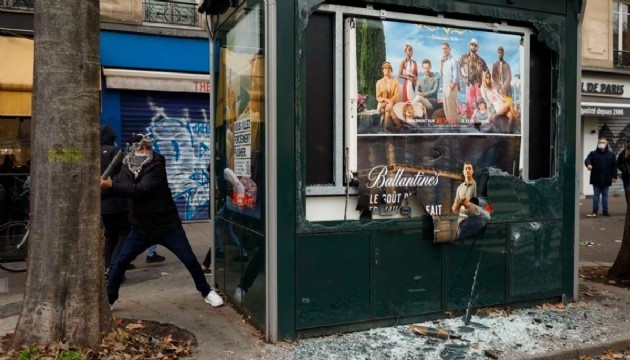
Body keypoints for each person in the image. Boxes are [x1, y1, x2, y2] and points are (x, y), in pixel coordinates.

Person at [101, 134, 223, 308]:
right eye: (140, 148)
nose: (144, 151)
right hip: (141, 228)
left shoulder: (157, 165)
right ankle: (110, 300)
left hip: (167, 226)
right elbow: (119, 187)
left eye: (147, 148)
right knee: (120, 262)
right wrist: (102, 189)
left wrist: (111, 186)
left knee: (189, 259)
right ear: (133, 150)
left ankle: (206, 291)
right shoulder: (126, 168)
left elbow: (141, 189)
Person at [100, 125, 133, 278]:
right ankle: (114, 267)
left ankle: (108, 266)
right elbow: (126, 174)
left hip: (103, 204)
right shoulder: (116, 152)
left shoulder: (92, 152)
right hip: (118, 201)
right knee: (125, 233)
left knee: (110, 236)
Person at [585, 138, 617, 217]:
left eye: (603, 142)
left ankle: (605, 211)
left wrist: (614, 176)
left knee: (605, 196)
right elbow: (587, 160)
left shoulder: (611, 154)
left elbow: (614, 167)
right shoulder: (593, 153)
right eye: (599, 142)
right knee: (596, 196)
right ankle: (595, 211)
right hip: (596, 178)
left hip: (607, 178)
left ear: (606, 144)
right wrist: (588, 164)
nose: (601, 143)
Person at [459, 38, 489, 118]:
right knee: (469, 103)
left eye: (475, 45)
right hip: (469, 84)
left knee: (480, 103)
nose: (473, 46)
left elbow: (487, 71)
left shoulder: (481, 60)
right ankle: (469, 121)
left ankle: (481, 120)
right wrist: (464, 77)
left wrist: (484, 82)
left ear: (477, 47)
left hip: (478, 84)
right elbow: (458, 68)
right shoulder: (463, 57)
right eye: (472, 44)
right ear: (469, 45)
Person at [376, 61, 401, 132]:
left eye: (389, 68)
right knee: (388, 107)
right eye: (385, 68)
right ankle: (398, 125)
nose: (387, 69)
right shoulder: (379, 82)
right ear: (383, 70)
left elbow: (396, 95)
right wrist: (386, 101)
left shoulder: (395, 81)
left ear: (391, 70)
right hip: (382, 103)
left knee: (387, 111)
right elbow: (378, 97)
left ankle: (387, 131)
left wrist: (390, 102)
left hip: (393, 102)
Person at [440, 42, 460, 124]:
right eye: (442, 49)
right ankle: (450, 125)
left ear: (449, 49)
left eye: (445, 48)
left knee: (451, 107)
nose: (444, 50)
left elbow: (456, 74)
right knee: (446, 107)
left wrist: (453, 84)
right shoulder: (444, 61)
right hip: (445, 85)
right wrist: (441, 62)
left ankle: (455, 126)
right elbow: (441, 73)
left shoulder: (453, 60)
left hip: (451, 85)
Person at [617, 137, 630, 202]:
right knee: (627, 191)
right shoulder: (623, 153)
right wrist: (624, 169)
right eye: (628, 142)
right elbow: (618, 163)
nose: (629, 144)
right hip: (626, 175)